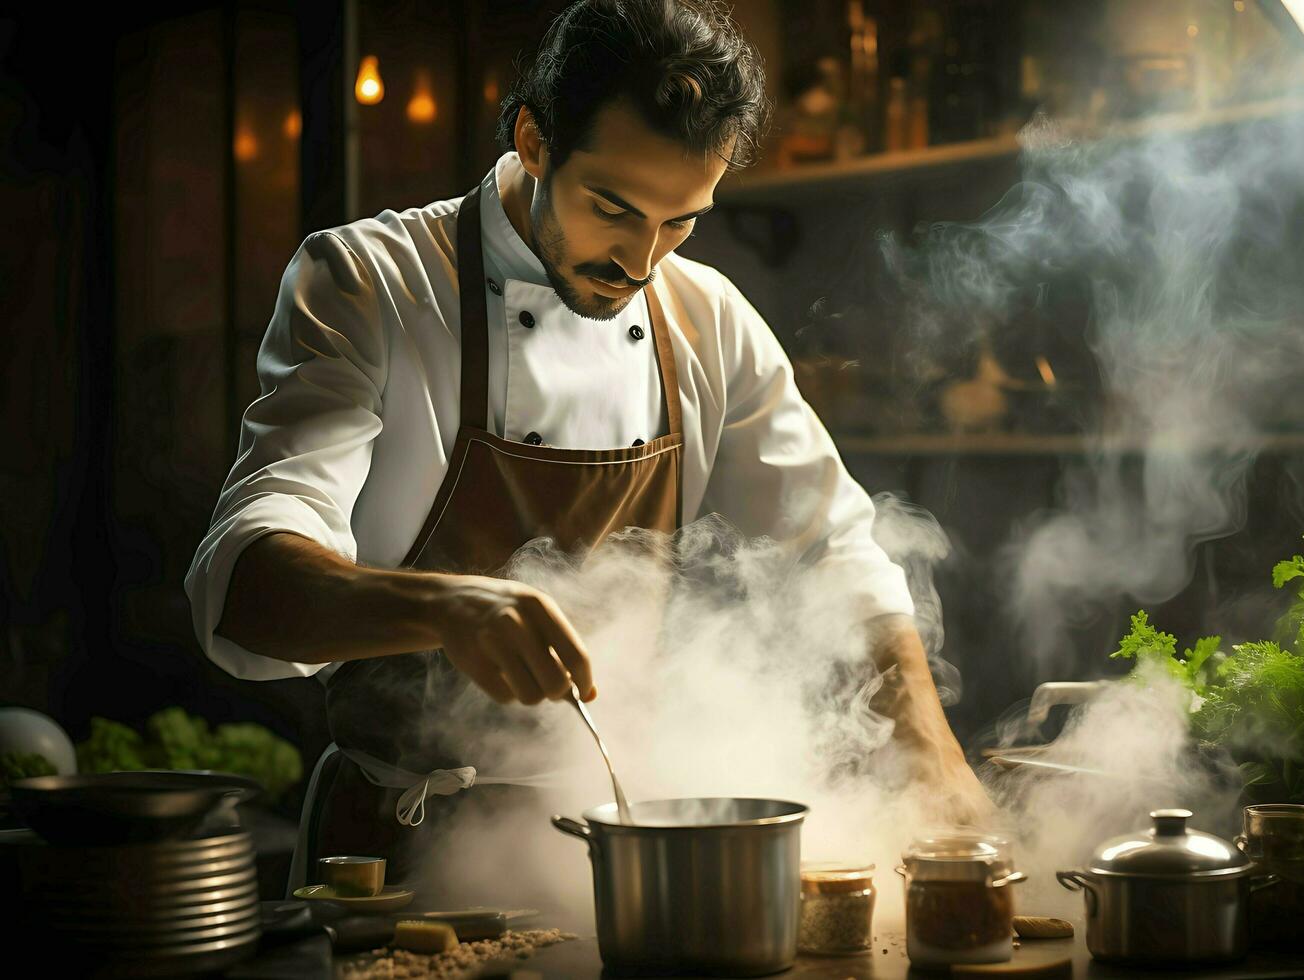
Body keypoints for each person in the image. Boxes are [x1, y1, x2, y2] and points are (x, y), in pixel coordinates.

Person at [186, 0, 990, 882]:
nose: (642, 261)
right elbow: (244, 584)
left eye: (681, 220)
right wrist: (444, 608)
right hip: (392, 856)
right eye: (613, 207)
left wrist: (929, 752)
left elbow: (834, 549)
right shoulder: (371, 285)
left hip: (608, 849)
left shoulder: (708, 318)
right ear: (535, 141)